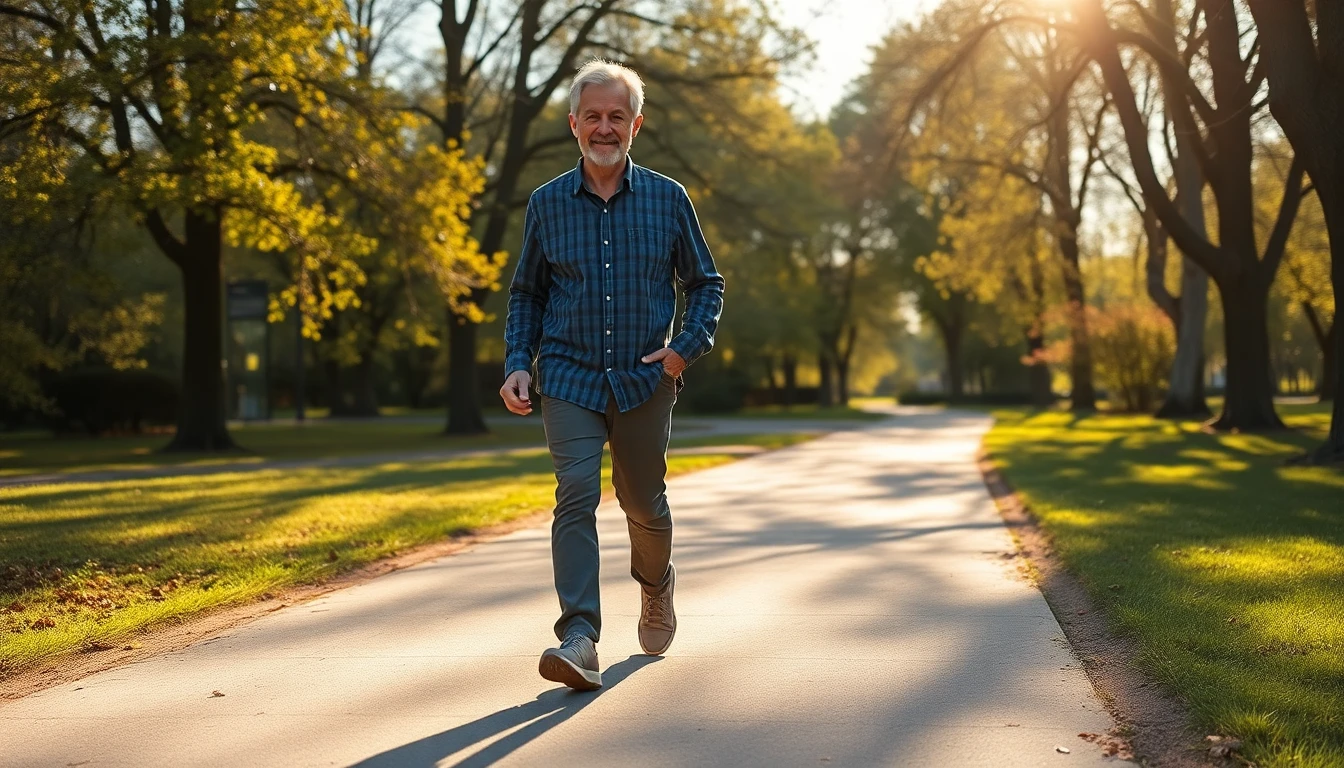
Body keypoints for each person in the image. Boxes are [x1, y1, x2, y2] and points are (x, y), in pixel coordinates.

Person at [500, 59, 725, 691]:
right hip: (567, 375)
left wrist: (684, 349)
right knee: (575, 493)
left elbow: (705, 282)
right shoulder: (546, 205)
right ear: (574, 124)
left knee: (642, 504)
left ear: (636, 124)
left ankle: (656, 586)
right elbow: (527, 296)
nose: (605, 127)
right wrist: (519, 363)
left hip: (644, 379)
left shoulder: (667, 198)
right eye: (593, 116)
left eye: (616, 117)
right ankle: (579, 637)